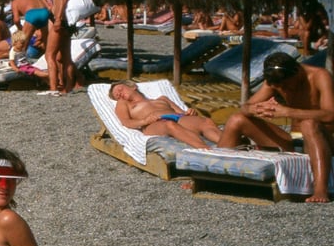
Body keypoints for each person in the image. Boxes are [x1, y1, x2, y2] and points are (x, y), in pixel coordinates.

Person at [219, 52, 334, 203]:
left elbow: (330, 115)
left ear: (297, 72)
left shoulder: (320, 76)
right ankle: (215, 174)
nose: (284, 90)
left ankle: (320, 189)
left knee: (308, 123)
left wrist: (289, 111)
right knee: (237, 120)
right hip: (292, 141)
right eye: (279, 88)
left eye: (286, 85)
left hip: (323, 139)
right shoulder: (275, 79)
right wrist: (255, 110)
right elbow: (245, 107)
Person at [109, 82, 221, 148]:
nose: (119, 94)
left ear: (133, 86)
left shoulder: (162, 99)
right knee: (170, 125)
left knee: (206, 121)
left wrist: (190, 113)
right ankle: (206, 150)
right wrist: (145, 121)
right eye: (117, 95)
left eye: (120, 89)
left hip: (177, 117)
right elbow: (126, 122)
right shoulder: (123, 103)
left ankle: (227, 146)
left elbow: (181, 113)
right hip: (153, 124)